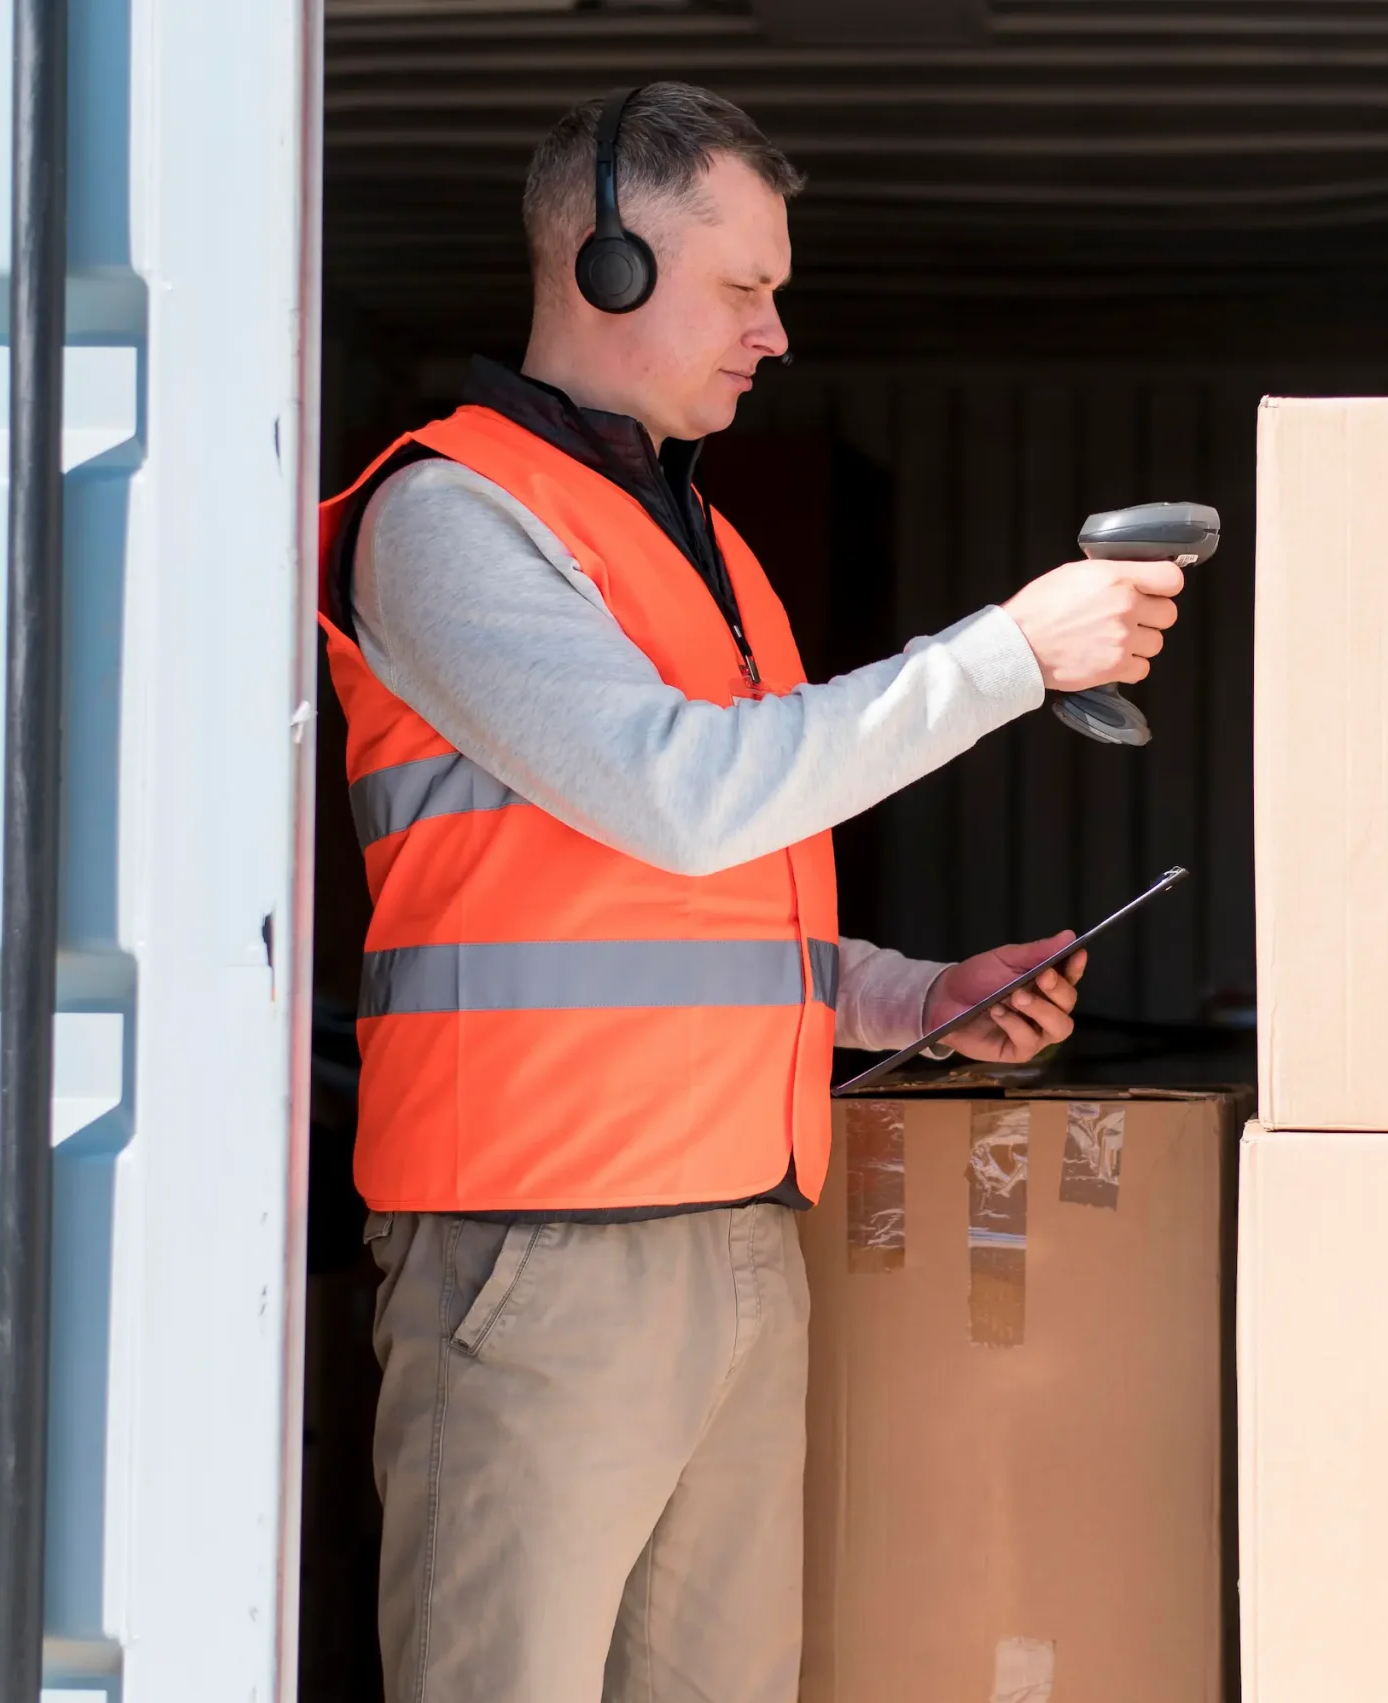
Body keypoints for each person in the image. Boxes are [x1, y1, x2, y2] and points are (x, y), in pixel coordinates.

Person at [318, 81, 1183, 1703]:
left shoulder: (700, 543)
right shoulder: (450, 520)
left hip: (735, 1240)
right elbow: (680, 795)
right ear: (610, 269)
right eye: (744, 288)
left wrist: (910, 996)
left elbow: (705, 904)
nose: (775, 334)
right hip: (539, 1256)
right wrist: (1008, 655)